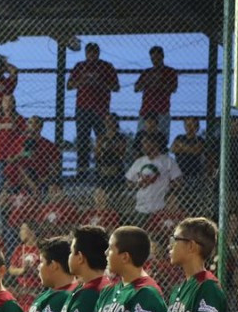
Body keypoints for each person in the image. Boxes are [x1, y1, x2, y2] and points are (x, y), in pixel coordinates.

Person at [67, 43, 119, 174]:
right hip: (83, 108)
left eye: (94, 52)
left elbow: (116, 87)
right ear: (85, 53)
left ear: (98, 53)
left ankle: (101, 171)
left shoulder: (106, 66)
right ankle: (82, 172)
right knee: (82, 139)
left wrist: (100, 82)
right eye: (89, 52)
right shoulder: (80, 66)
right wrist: (83, 82)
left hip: (100, 109)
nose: (91, 55)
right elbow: (69, 85)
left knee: (101, 140)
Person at [125, 135, 183, 217]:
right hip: (141, 207)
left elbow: (178, 181)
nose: (143, 146)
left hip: (161, 207)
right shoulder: (139, 161)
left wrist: (168, 188)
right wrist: (138, 184)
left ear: (155, 144)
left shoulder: (167, 161)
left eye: (146, 143)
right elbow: (129, 181)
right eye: (143, 143)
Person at [134, 46, 178, 139]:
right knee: (141, 137)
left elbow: (173, 88)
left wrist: (160, 83)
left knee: (161, 138)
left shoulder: (170, 71)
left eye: (157, 58)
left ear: (162, 57)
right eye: (152, 58)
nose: (154, 60)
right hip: (146, 109)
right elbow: (136, 88)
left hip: (162, 109)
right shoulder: (147, 72)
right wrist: (147, 81)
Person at [0, 93, 26, 192]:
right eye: (5, 101)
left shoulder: (19, 119)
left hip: (13, 155)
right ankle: (1, 201)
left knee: (13, 180)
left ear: (14, 103)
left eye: (11, 101)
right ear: (1, 103)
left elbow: (22, 136)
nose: (8, 103)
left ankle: (13, 201)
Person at [94, 114, 131, 188]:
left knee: (116, 191)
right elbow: (97, 154)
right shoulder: (100, 137)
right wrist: (107, 147)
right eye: (107, 121)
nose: (109, 123)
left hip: (116, 168)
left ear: (116, 123)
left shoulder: (121, 137)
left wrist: (108, 147)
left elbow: (121, 154)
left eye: (112, 121)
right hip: (102, 168)